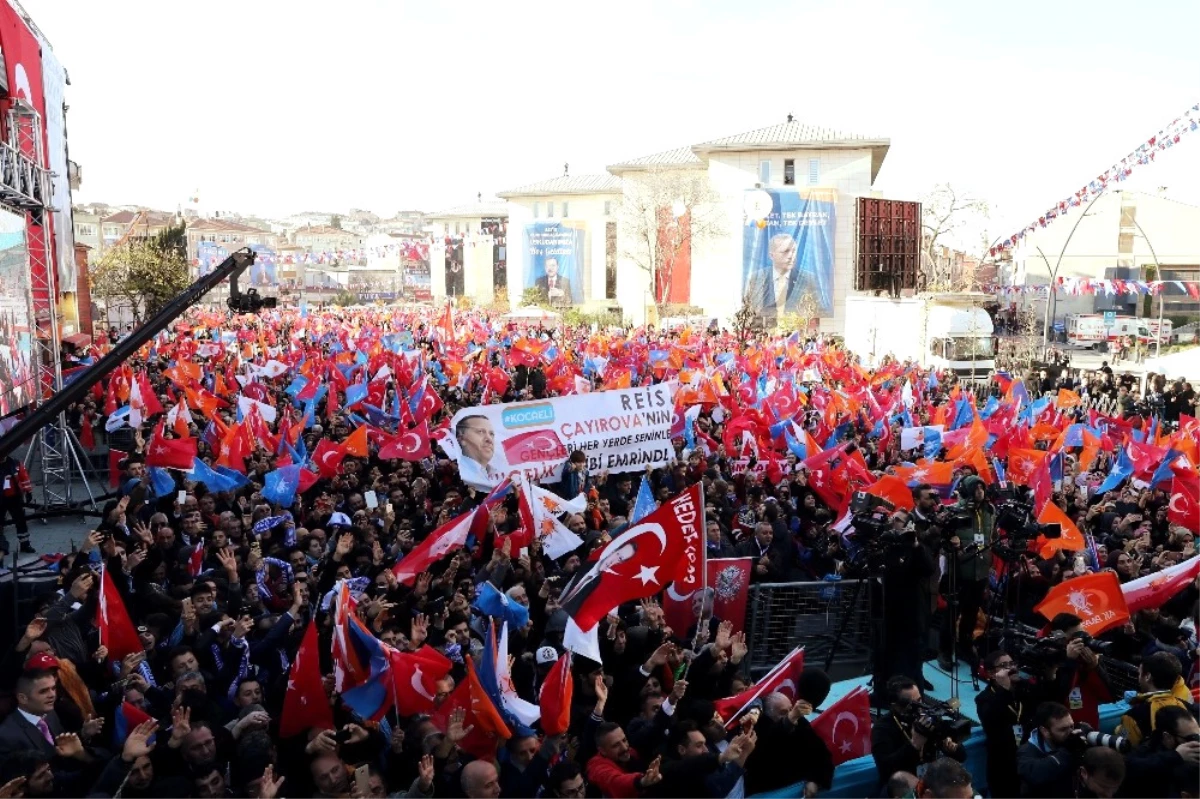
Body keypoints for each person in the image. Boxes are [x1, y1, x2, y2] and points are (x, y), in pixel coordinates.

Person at [871, 676, 965, 789]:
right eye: (913, 705)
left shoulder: (929, 717)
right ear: (895, 705)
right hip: (903, 787)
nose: (920, 708)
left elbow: (962, 755)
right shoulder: (882, 729)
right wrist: (914, 745)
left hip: (933, 782)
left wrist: (952, 748)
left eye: (920, 700)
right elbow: (886, 770)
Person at [1120, 704, 1200, 799]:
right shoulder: (1146, 753)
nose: (1196, 742)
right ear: (1168, 737)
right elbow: (1130, 768)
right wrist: (1176, 756)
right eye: (1191, 738)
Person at [1016, 701, 1079, 799]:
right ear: (1045, 731)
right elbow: (1035, 775)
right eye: (1063, 729)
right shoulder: (1026, 752)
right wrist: (1067, 751)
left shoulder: (1072, 741)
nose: (1070, 732)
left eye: (1072, 726)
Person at [454, 414, 503, 488]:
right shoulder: (455, 475)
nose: (489, 439)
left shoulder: (502, 477)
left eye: (491, 434)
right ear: (462, 439)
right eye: (480, 432)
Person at [0, 452, 33, 554]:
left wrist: (28, 492)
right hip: (0, 498)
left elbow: (24, 478)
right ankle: (1, 546)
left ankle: (25, 544)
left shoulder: (15, 464)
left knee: (21, 521)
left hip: (14, 498)